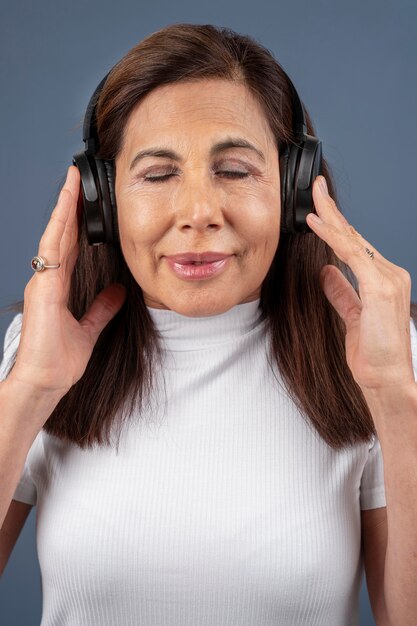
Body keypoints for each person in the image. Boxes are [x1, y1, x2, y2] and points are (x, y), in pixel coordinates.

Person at [1, 22, 417, 626]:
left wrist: (395, 400)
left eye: (235, 170)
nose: (199, 214)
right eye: (159, 173)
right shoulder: (36, 355)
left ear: (296, 190)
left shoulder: (380, 356)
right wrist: (31, 389)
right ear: (102, 200)